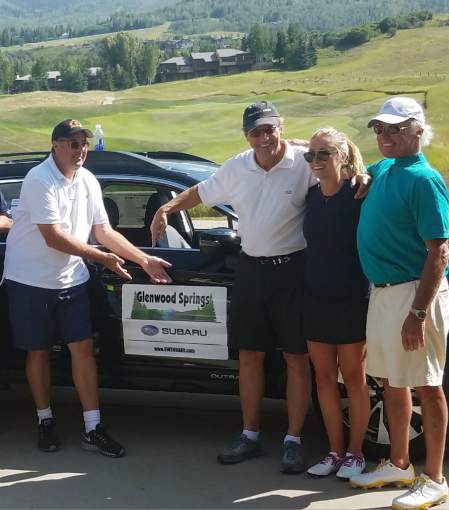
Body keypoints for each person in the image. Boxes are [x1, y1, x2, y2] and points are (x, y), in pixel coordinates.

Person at [150, 101, 316, 474]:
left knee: (295, 358)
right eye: (256, 131)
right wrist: (167, 209)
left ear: (281, 127)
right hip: (252, 271)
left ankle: (293, 441)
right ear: (246, 136)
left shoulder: (305, 162)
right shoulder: (238, 166)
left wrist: (365, 178)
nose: (264, 137)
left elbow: (343, 168)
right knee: (250, 356)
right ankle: (250, 435)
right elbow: (199, 193)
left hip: (293, 271)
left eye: (269, 129)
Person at [2, 119, 172, 457]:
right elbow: (53, 237)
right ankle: (44, 419)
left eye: (84, 143)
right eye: (74, 143)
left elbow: (104, 230)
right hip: (30, 281)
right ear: (56, 145)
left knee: (82, 349)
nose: (81, 150)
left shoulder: (88, 180)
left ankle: (93, 427)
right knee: (38, 353)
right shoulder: (39, 179)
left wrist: (142, 259)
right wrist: (101, 258)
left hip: (72, 280)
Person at [349, 97, 449, 510]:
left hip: (414, 294)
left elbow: (438, 251)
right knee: (393, 381)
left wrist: (418, 312)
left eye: (394, 128)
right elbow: (351, 163)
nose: (385, 136)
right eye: (379, 129)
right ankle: (399, 463)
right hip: (385, 291)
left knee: (428, 385)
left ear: (417, 131)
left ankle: (436, 478)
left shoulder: (424, 179)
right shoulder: (387, 168)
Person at [303, 128, 370, 481]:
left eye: (324, 154)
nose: (316, 161)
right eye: (311, 155)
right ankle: (334, 451)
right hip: (314, 298)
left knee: (355, 379)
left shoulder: (360, 193)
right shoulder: (311, 196)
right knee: (324, 379)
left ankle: (356, 454)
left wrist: (366, 173)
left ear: (343, 156)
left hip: (350, 299)